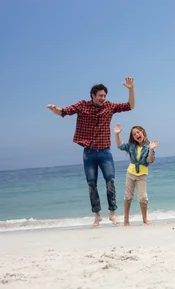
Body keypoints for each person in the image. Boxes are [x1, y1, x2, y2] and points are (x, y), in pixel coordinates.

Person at [47, 78, 135, 226]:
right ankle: (97, 215)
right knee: (91, 184)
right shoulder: (82, 105)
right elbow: (65, 111)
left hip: (105, 151)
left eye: (104, 96)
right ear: (93, 95)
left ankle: (112, 213)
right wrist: (56, 109)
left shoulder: (109, 107)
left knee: (110, 181)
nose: (103, 98)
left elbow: (130, 106)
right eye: (100, 95)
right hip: (89, 153)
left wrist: (131, 89)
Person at [114, 123, 159, 226]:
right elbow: (120, 146)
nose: (137, 135)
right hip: (130, 173)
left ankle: (145, 219)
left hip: (142, 175)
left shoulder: (149, 146)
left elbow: (150, 160)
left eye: (138, 132)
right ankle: (126, 220)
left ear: (142, 132)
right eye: (134, 134)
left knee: (143, 197)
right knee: (128, 196)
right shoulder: (131, 145)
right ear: (133, 137)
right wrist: (117, 134)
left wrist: (151, 150)